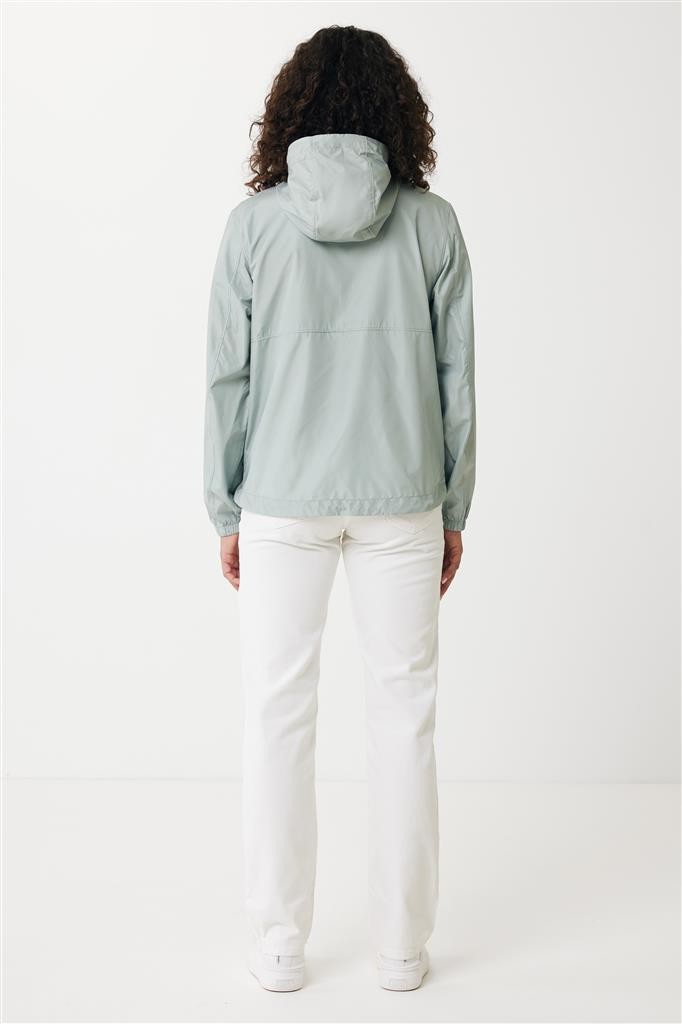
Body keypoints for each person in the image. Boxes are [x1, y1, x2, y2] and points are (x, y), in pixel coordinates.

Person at [203, 24, 476, 993]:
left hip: (281, 500)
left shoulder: (253, 228)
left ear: (292, 110)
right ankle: (401, 950)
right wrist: (453, 507)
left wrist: (225, 508)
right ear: (397, 113)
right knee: (405, 719)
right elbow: (456, 384)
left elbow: (226, 382)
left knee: (277, 717)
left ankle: (280, 944)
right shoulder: (433, 226)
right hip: (404, 501)